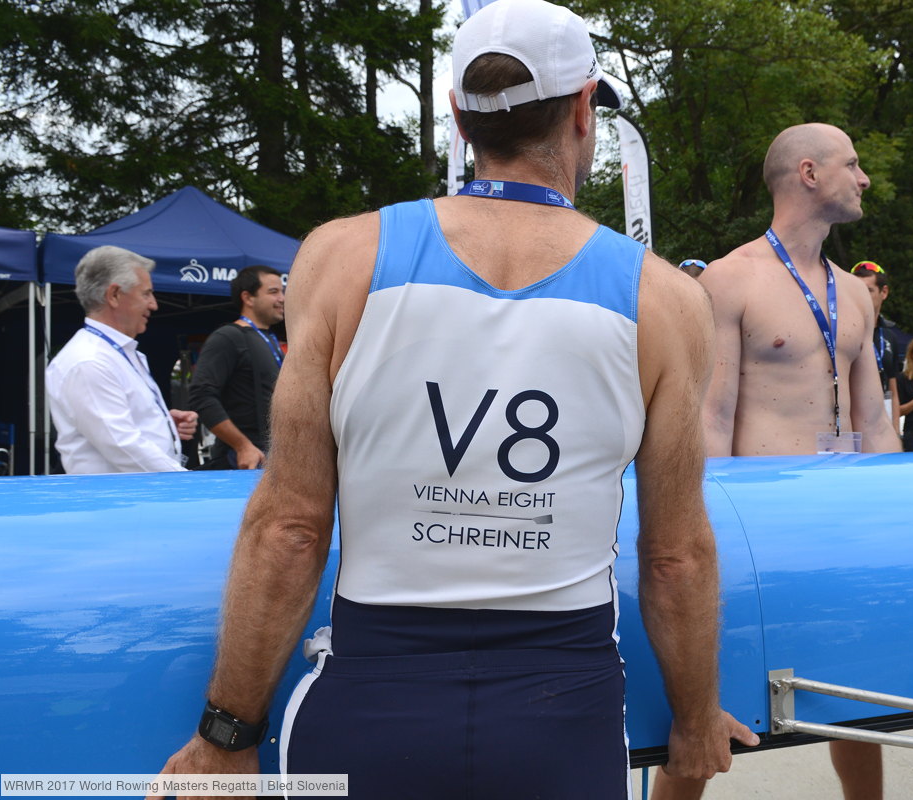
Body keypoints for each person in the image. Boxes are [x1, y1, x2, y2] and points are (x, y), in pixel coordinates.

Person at [151, 0, 755, 797]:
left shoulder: (343, 257)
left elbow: (292, 527)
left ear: (457, 119)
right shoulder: (665, 300)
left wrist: (224, 739)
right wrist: (692, 720)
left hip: (371, 706)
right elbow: (676, 556)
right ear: (584, 110)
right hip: (560, 717)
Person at [659, 123, 899, 800]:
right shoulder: (730, 280)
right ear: (809, 173)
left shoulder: (854, 295)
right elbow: (709, 419)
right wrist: (703, 542)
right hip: (756, 529)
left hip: (844, 522)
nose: (865, 177)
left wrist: (904, 513)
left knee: (859, 700)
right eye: (853, 164)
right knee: (704, 710)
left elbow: (873, 421)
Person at [45, 245, 197, 474]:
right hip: (119, 501)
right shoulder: (89, 360)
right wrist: (184, 483)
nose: (153, 304)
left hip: (135, 495)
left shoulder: (115, 353)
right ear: (114, 295)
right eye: (146, 293)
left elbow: (115, 429)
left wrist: (164, 424)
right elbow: (122, 445)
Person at [188, 265, 286, 469]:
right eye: (273, 292)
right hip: (241, 463)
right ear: (248, 298)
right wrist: (242, 446)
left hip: (273, 460)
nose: (282, 298)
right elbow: (202, 395)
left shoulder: (270, 340)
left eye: (282, 291)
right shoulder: (228, 337)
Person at [851, 260, 902, 433]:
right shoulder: (842, 332)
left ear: (884, 292)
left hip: (883, 423)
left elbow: (893, 390)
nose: (861, 296)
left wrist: (896, 431)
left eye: (868, 290)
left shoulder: (889, 335)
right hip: (853, 424)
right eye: (856, 290)